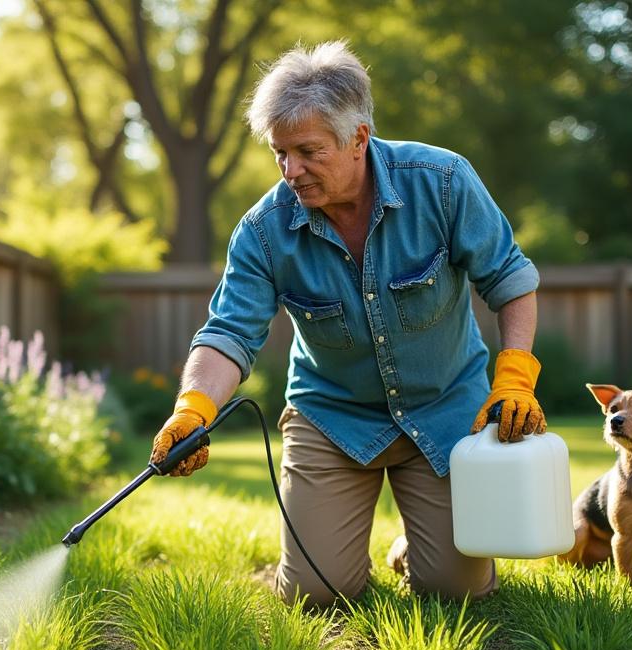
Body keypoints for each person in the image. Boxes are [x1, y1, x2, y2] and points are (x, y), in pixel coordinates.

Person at [149, 40, 546, 608]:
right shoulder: (264, 229)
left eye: (308, 151)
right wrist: (192, 407)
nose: (292, 171)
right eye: (280, 154)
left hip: (445, 407)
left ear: (358, 137)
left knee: (454, 592)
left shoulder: (442, 181)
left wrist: (514, 377)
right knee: (314, 594)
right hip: (333, 418)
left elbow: (511, 281)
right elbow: (228, 332)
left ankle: (420, 547)